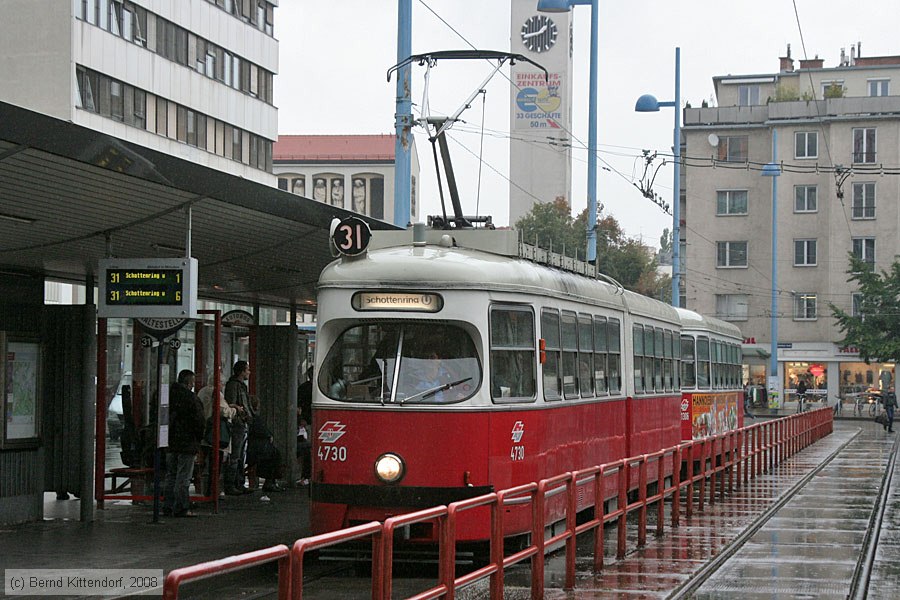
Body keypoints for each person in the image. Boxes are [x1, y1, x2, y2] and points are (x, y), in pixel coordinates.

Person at [163, 370, 205, 517]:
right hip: (187, 442)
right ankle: (181, 507)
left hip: (170, 441)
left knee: (171, 475)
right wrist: (198, 438)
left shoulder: (167, 396)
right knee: (183, 476)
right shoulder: (191, 398)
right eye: (192, 382)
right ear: (189, 382)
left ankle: (167, 505)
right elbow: (199, 421)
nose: (193, 385)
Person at [224, 360, 254, 495]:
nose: (249, 372)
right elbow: (231, 403)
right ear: (241, 371)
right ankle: (231, 484)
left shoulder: (242, 386)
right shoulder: (234, 386)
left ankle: (239, 482)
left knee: (241, 455)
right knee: (235, 455)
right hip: (237, 423)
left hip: (243, 422)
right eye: (247, 370)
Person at [246, 397, 286, 492]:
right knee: (273, 455)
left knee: (273, 453)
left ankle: (270, 481)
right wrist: (268, 436)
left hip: (255, 445)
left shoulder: (254, 417)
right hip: (255, 446)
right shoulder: (253, 417)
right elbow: (261, 430)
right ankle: (270, 481)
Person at [296, 367, 313, 485]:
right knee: (309, 450)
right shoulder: (322, 388)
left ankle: (305, 476)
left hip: (306, 421)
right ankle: (307, 475)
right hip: (310, 421)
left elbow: (298, 405)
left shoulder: (303, 388)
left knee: (308, 449)